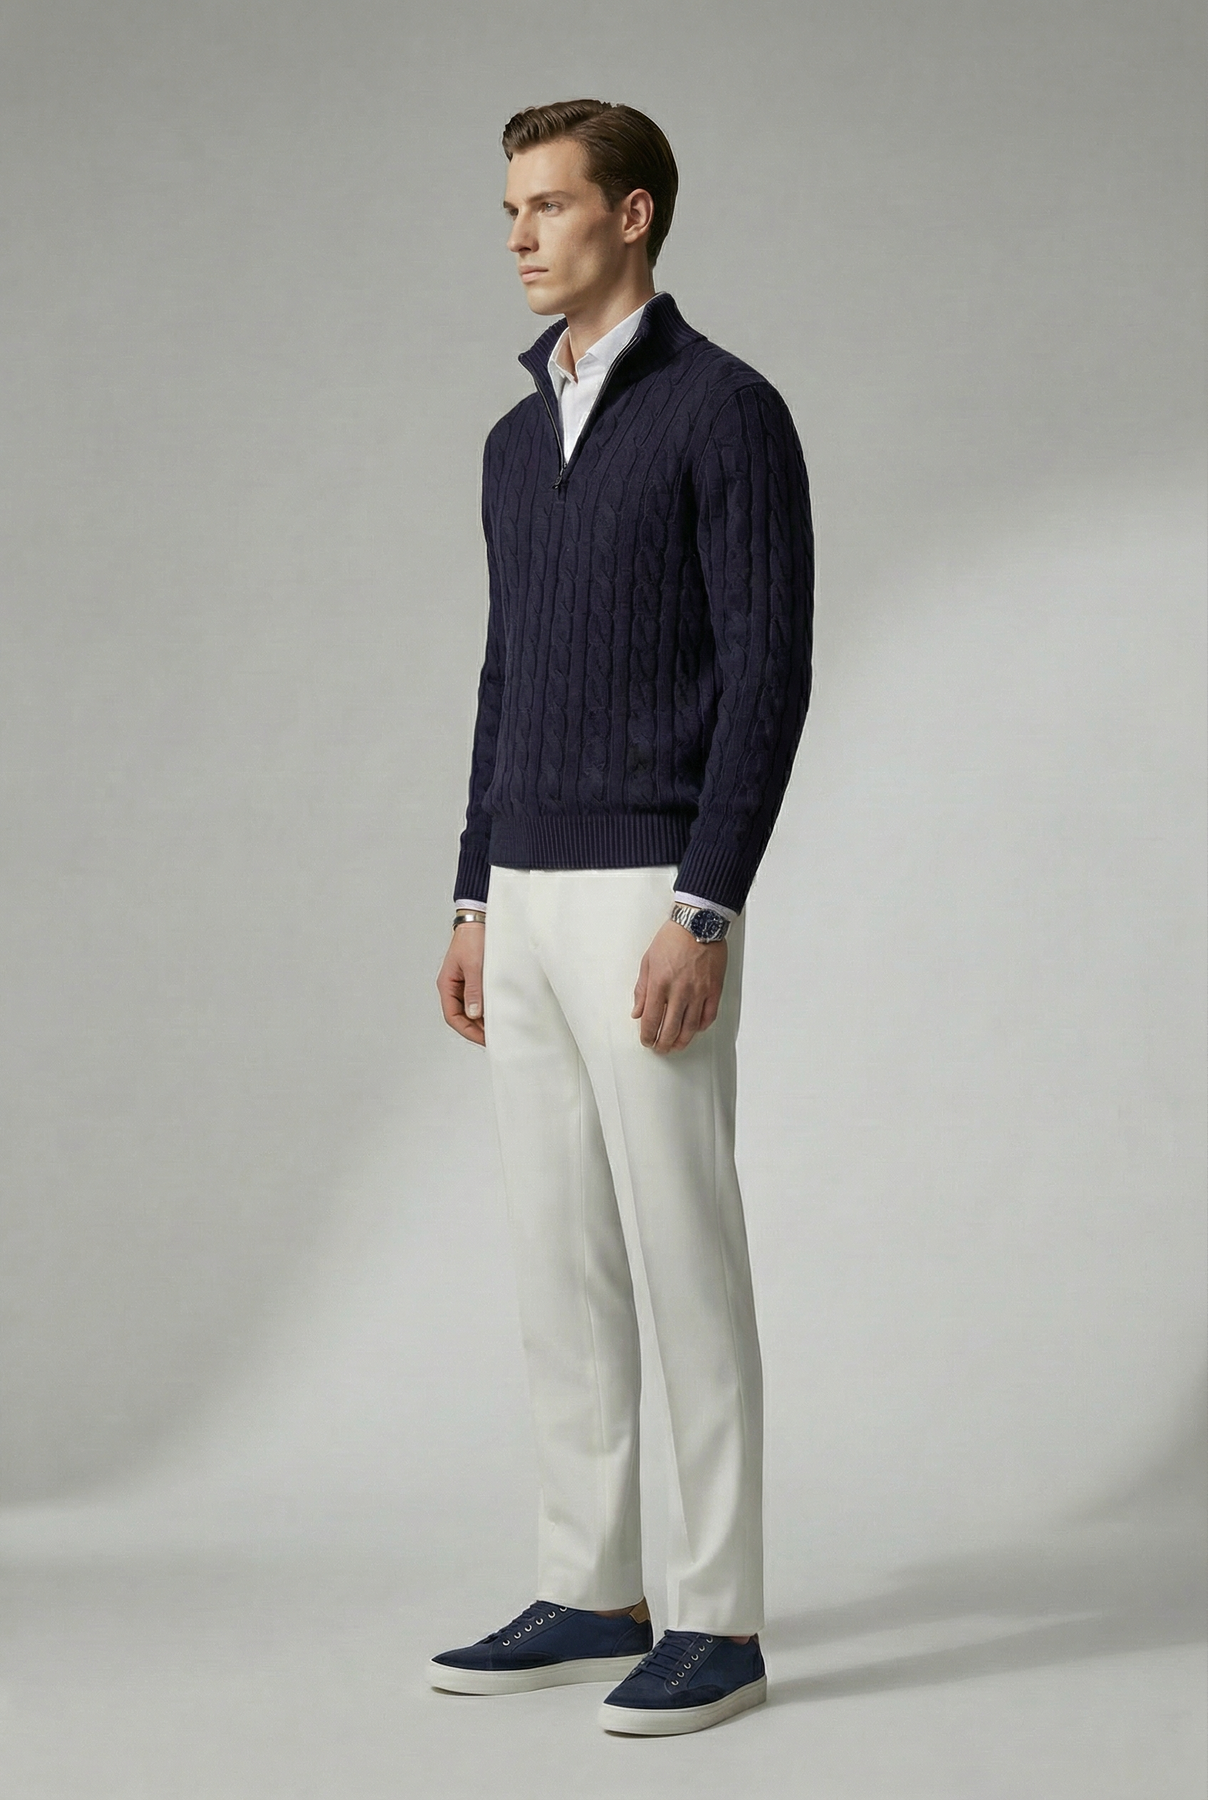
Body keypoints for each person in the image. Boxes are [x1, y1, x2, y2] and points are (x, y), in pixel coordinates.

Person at [431, 98, 813, 1737]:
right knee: (559, 1255)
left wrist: (704, 903)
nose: (521, 235)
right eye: (510, 210)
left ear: (633, 214)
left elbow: (770, 672)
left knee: (682, 1253)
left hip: (654, 888)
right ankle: (594, 1584)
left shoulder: (727, 411)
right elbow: (505, 674)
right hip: (524, 893)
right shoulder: (513, 442)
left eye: (550, 205)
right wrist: (472, 889)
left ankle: (717, 1619)